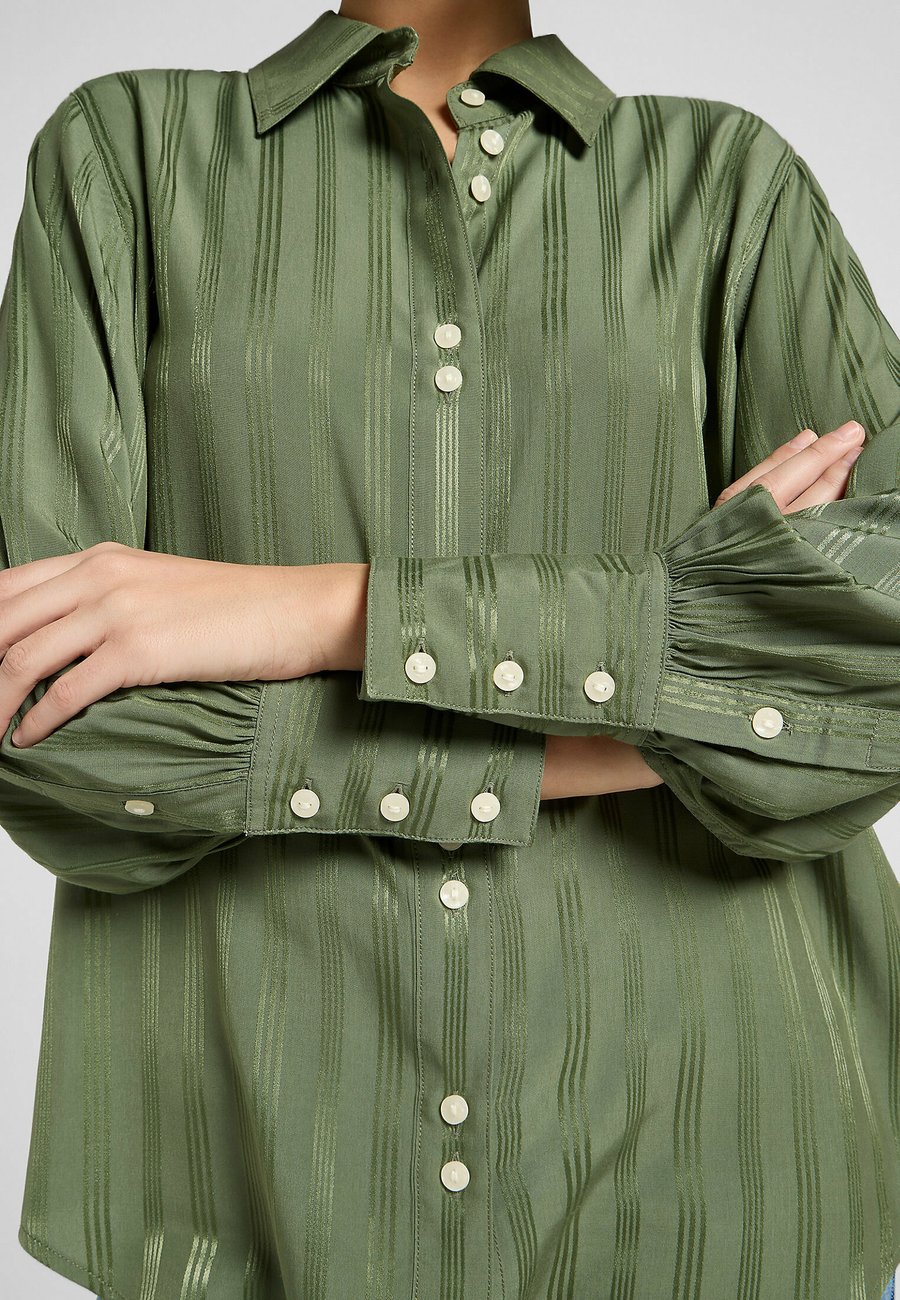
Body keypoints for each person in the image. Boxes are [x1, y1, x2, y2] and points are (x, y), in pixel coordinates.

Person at [1, 1, 898, 1296]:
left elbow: (878, 678)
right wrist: (657, 698)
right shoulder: (126, 156)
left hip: (732, 1173)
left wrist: (318, 612)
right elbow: (42, 723)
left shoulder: (730, 185)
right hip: (256, 1189)